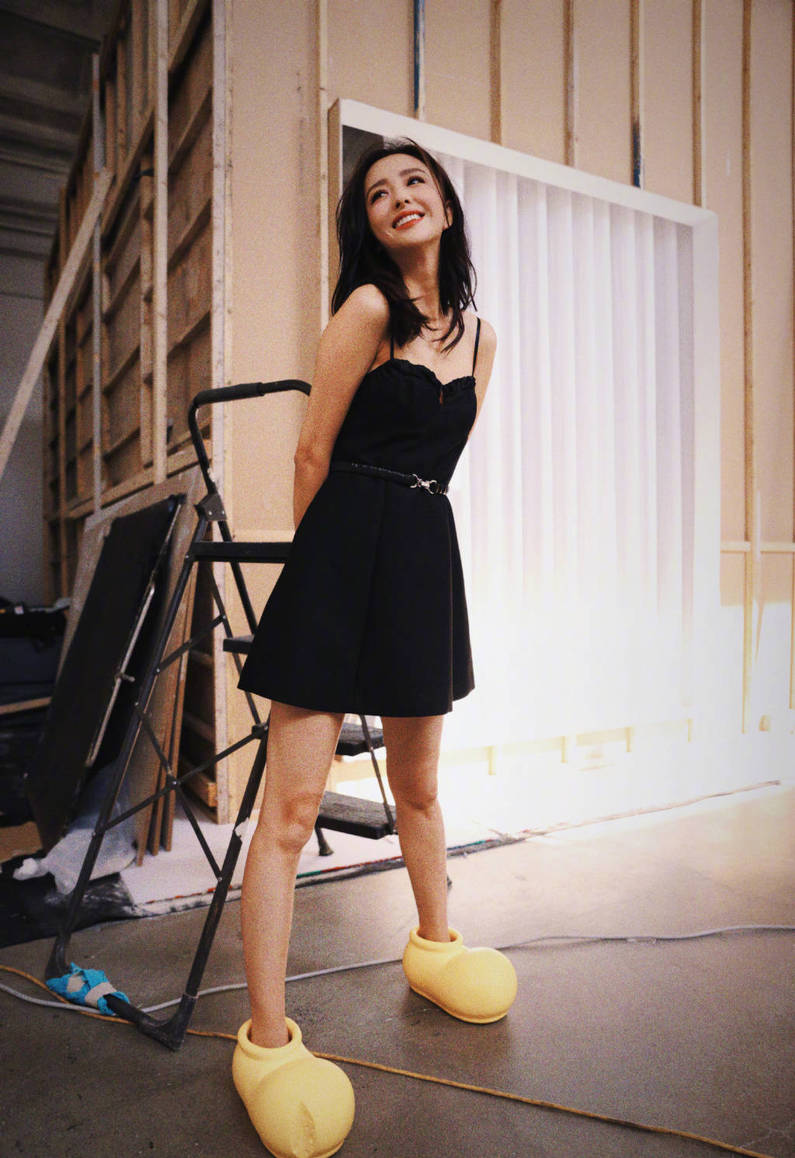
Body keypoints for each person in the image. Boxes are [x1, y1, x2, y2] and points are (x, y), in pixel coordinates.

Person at [232, 139, 517, 1158]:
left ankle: (435, 945)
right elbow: (313, 450)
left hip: (422, 554)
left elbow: (442, 459)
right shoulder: (364, 309)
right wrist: (317, 583)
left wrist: (400, 557)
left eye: (414, 182)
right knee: (291, 808)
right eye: (378, 192)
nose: (398, 197)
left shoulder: (481, 338)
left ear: (446, 206)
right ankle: (268, 1040)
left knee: (421, 788)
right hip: (341, 547)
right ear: (368, 222)